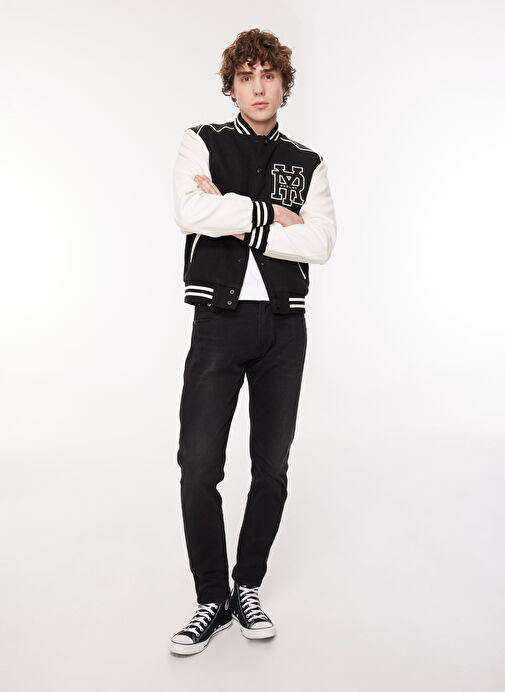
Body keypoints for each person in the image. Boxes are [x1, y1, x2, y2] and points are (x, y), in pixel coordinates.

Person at [169, 28, 337, 655]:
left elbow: (320, 243)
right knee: (197, 466)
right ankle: (210, 597)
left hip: (283, 329)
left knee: (271, 468)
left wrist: (235, 215)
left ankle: (247, 585)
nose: (258, 87)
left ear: (284, 86)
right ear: (232, 86)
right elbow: (191, 213)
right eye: (246, 77)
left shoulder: (307, 163)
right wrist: (270, 215)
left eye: (268, 75)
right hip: (218, 322)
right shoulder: (201, 142)